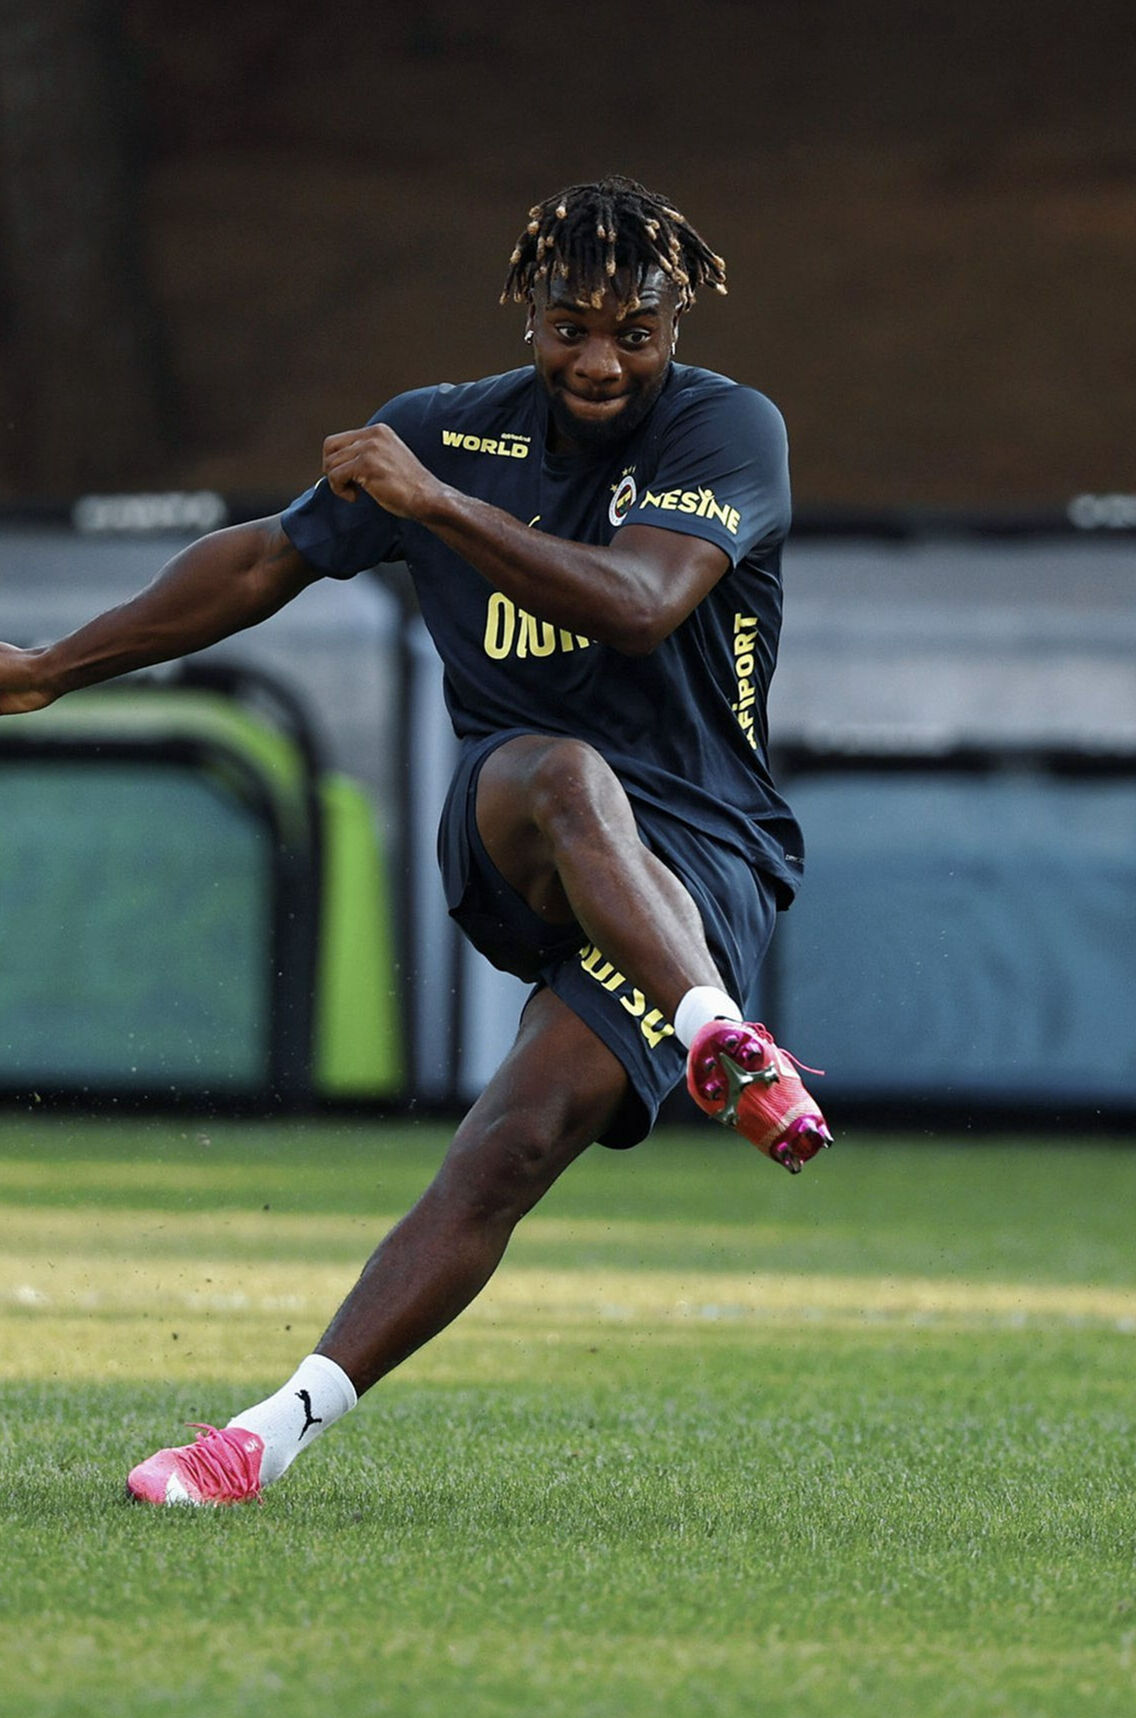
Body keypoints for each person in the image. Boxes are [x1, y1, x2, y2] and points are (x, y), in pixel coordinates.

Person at [0, 175, 831, 1506]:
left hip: (699, 849)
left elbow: (640, 602)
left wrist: (432, 508)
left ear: (681, 322)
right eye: (571, 326)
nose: (603, 360)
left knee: (508, 1145)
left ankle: (258, 1441)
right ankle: (726, 1038)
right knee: (560, 769)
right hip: (522, 818)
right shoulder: (443, 432)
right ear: (526, 318)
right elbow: (269, 559)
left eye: (637, 330)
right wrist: (52, 666)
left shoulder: (728, 431)